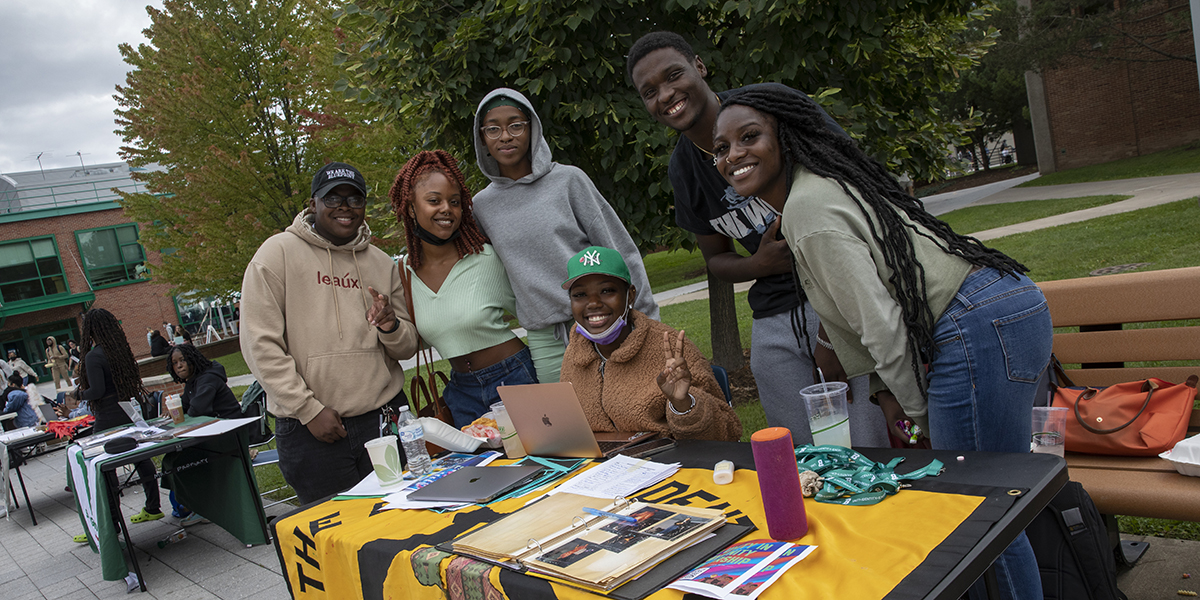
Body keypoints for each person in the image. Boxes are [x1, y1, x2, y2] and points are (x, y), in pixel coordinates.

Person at [711, 86, 1052, 600]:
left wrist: (921, 416)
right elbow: (856, 319)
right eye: (720, 147)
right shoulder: (820, 189)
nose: (733, 154)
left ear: (786, 136)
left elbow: (882, 326)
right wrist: (886, 396)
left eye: (749, 136)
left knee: (981, 508)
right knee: (992, 502)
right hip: (1003, 312)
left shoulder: (807, 210)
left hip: (977, 325)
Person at [626, 32, 888, 447]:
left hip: (844, 291)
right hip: (775, 311)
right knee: (795, 453)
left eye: (674, 74)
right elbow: (716, 260)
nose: (667, 94)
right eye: (650, 91)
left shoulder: (768, 108)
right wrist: (759, 264)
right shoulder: (684, 170)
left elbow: (857, 185)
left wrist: (832, 334)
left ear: (699, 65)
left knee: (867, 442)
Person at [240, 161, 419, 505]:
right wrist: (307, 409)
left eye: (355, 199)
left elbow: (407, 345)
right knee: (336, 538)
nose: (345, 208)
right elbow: (259, 344)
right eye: (333, 198)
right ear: (313, 203)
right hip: (311, 429)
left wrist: (389, 325)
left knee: (402, 523)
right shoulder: (276, 254)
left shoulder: (382, 263)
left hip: (383, 418)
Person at [471, 88, 659, 384]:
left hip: (601, 317)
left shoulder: (569, 181)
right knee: (567, 424)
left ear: (532, 128)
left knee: (628, 404)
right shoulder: (482, 206)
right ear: (482, 138)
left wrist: (646, 317)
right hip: (544, 335)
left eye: (515, 125)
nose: (505, 136)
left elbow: (619, 249)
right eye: (493, 129)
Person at [387, 150, 537, 427]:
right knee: (483, 470)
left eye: (454, 202)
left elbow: (536, 317)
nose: (446, 209)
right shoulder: (403, 273)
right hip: (461, 391)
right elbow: (419, 340)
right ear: (410, 207)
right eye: (434, 200)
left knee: (543, 464)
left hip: (513, 377)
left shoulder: (487, 258)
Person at [560, 246, 741, 442]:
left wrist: (683, 404)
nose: (593, 303)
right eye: (580, 295)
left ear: (630, 295)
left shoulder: (671, 347)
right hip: (603, 467)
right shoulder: (575, 354)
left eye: (607, 291)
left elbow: (728, 432)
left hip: (668, 463)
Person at [78, 308, 164, 524]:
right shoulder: (120, 351)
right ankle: (153, 507)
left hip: (107, 415)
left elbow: (96, 391)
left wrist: (78, 394)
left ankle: (113, 521)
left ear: (90, 330)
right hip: (129, 410)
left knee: (103, 466)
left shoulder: (93, 356)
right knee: (142, 458)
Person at [166, 343, 242, 420]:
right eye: (175, 363)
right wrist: (175, 409)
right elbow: (185, 405)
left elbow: (197, 409)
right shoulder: (191, 381)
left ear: (192, 359)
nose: (179, 366)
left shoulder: (208, 379)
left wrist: (186, 410)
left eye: (182, 360)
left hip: (232, 424)